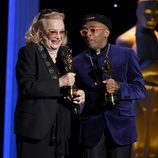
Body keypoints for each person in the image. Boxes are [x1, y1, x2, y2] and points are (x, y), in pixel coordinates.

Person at [73, 13, 146, 158]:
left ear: (106, 32)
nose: (88, 35)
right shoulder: (77, 61)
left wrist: (119, 86)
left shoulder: (126, 54)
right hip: (92, 127)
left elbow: (140, 90)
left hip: (121, 126)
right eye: (84, 32)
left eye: (93, 30)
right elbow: (77, 91)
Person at [14, 9, 85, 158]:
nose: (58, 37)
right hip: (34, 130)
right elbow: (27, 87)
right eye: (53, 32)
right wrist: (59, 82)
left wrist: (78, 93)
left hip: (62, 129)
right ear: (40, 32)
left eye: (62, 32)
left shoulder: (65, 53)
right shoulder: (28, 52)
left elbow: (68, 83)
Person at [115, 1, 158, 157]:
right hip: (135, 97)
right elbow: (119, 77)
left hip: (156, 96)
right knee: (136, 143)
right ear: (138, 12)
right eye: (147, 12)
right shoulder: (126, 40)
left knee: (154, 143)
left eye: (156, 13)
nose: (152, 16)